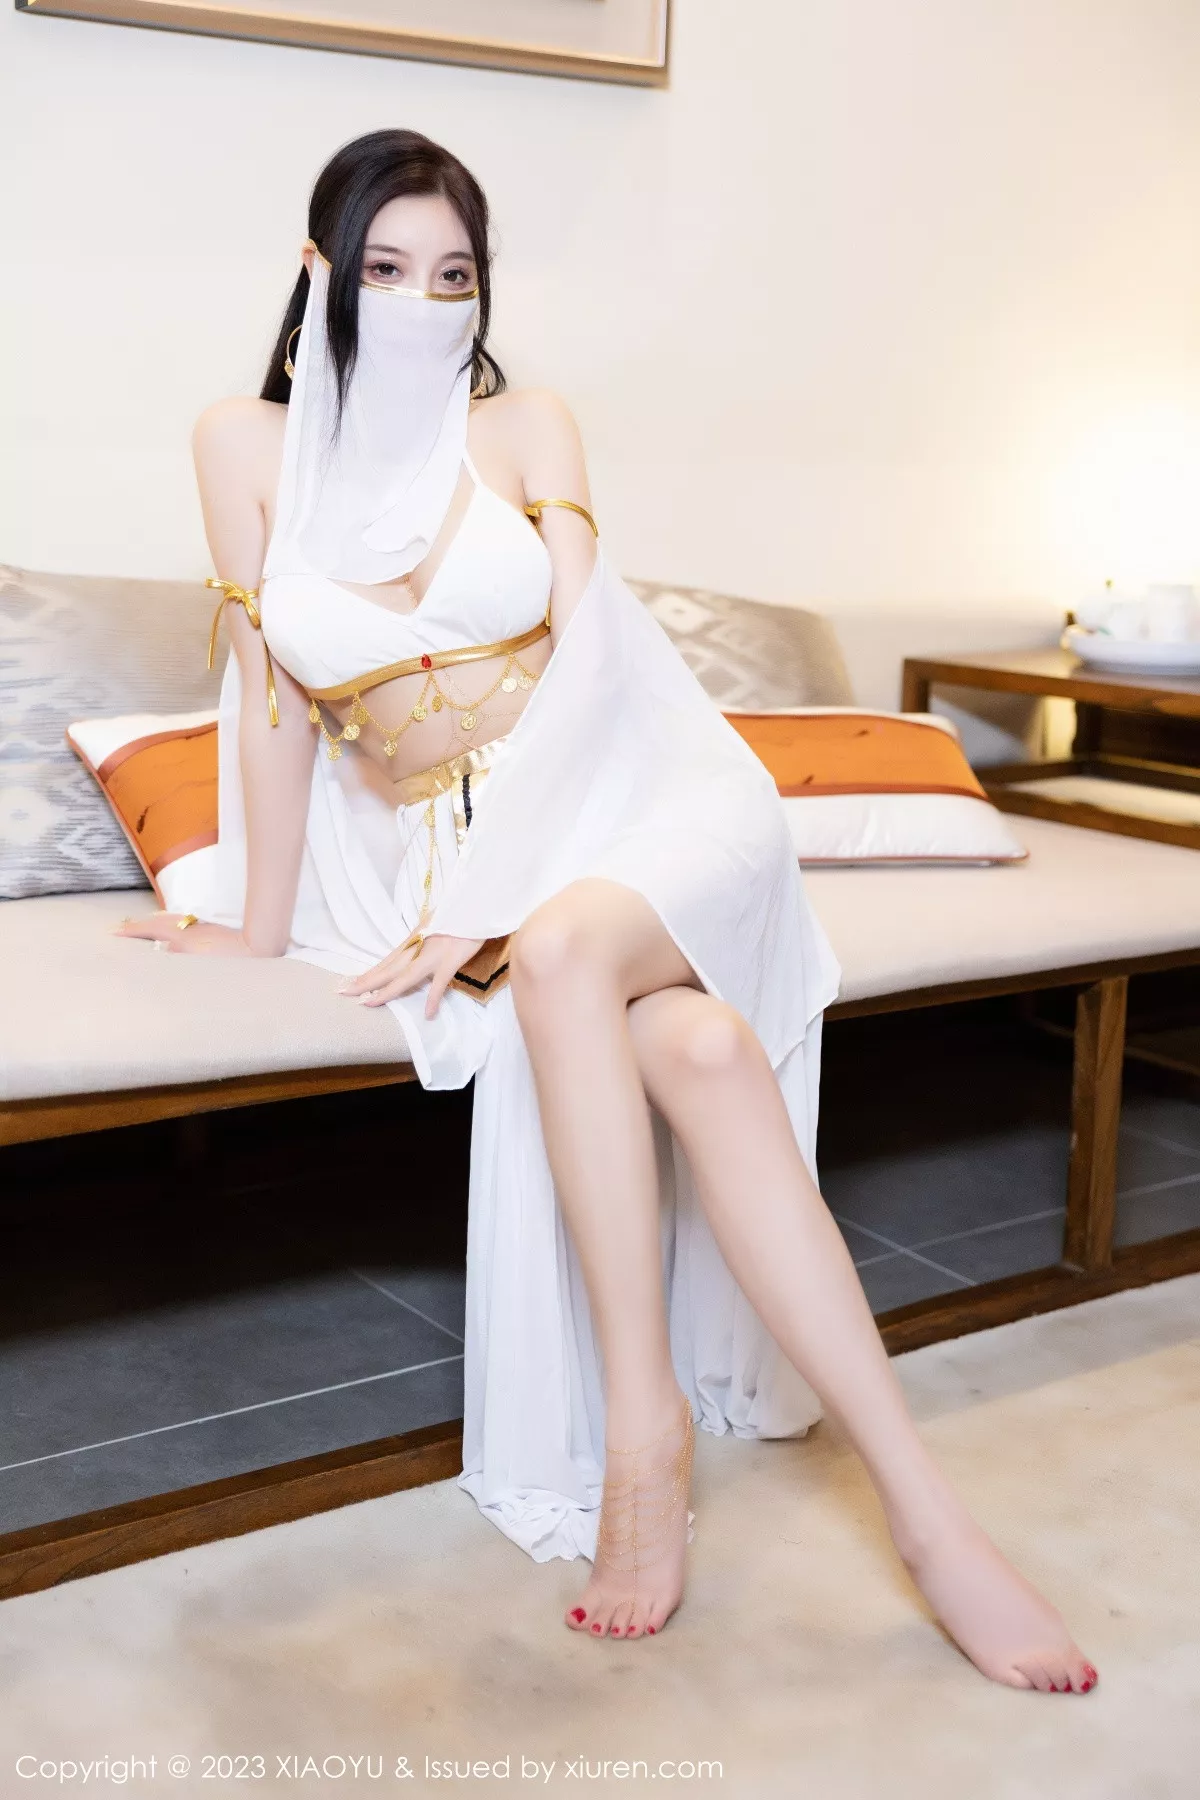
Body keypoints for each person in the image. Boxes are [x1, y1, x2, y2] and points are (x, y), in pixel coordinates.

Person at [118, 129, 1096, 1692]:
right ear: (320, 271)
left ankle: (644, 1436)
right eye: (387, 269)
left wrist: (498, 899)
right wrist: (249, 920)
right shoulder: (242, 447)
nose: (424, 302)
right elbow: (273, 705)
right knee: (696, 1051)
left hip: (650, 799)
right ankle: (927, 1513)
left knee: (566, 944)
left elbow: (591, 669)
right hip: (450, 847)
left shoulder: (526, 425)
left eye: (454, 275)